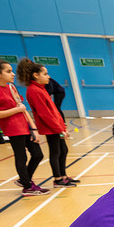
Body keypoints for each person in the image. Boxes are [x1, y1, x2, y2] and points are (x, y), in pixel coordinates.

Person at [16, 58, 79, 187]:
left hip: (56, 126)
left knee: (63, 150)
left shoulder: (42, 89)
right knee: (55, 152)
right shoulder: (34, 90)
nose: (48, 77)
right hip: (50, 128)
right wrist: (58, 128)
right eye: (45, 74)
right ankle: (57, 178)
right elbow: (45, 114)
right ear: (36, 75)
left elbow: (54, 110)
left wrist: (62, 125)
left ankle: (64, 176)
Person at [0, 59, 47, 196]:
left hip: (25, 126)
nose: (12, 74)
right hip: (13, 128)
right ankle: (27, 186)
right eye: (8, 71)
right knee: (21, 156)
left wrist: (34, 129)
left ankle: (24, 180)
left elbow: (23, 109)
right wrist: (16, 110)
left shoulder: (11, 88)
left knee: (38, 154)